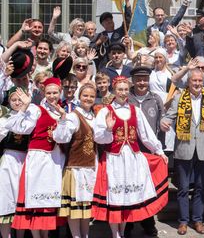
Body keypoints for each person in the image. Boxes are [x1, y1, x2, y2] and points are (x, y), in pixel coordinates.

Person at [92, 76, 168, 238]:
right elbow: (98, 137)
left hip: (133, 159)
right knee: (115, 197)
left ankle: (123, 231)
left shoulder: (135, 110)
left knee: (127, 199)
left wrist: (159, 151)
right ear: (114, 90)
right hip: (114, 159)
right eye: (120, 89)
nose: (123, 92)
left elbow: (146, 134)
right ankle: (115, 234)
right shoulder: (106, 111)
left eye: (126, 89)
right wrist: (108, 129)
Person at [4, 77, 66, 237]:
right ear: (44, 93)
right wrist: (24, 107)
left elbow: (63, 138)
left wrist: (64, 118)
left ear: (60, 93)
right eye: (49, 92)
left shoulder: (62, 113)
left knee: (47, 204)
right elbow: (18, 127)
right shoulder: (36, 109)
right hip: (37, 161)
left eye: (55, 92)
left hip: (53, 161)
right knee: (34, 202)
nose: (52, 96)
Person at [160, 69, 204, 235]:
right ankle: (183, 221)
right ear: (189, 82)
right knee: (183, 188)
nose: (197, 84)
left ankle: (198, 220)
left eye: (200, 81)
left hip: (203, 148)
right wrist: (164, 121)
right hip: (184, 148)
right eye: (194, 81)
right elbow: (169, 116)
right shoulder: (179, 97)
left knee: (200, 187)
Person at [53, 83, 98, 238]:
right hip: (75, 167)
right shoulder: (73, 116)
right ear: (79, 97)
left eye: (92, 96)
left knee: (86, 208)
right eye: (85, 95)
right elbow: (61, 137)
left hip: (90, 166)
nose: (88, 98)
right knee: (75, 209)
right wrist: (63, 120)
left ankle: (85, 236)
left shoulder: (94, 116)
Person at [126, 67, 166, 238]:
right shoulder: (125, 99)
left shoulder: (155, 99)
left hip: (149, 152)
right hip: (128, 152)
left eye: (144, 79)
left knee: (147, 189)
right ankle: (127, 224)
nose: (142, 82)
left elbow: (162, 122)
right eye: (138, 79)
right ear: (133, 81)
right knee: (129, 188)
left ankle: (148, 222)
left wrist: (159, 149)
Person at [0, 87, 30, 238]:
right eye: (14, 100)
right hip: (9, 161)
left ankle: (20, 235)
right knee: (6, 199)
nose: (17, 102)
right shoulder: (6, 118)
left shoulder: (31, 117)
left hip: (26, 160)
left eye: (20, 99)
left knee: (21, 199)